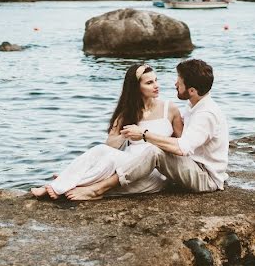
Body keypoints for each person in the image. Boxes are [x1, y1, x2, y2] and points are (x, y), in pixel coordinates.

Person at [65, 59, 228, 201]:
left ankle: (98, 189)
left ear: (191, 90)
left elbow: (181, 147)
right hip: (191, 167)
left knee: (154, 151)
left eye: (179, 82)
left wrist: (144, 135)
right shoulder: (193, 105)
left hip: (206, 177)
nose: (175, 84)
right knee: (104, 151)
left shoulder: (206, 114)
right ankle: (75, 180)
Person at [31, 63, 183, 199]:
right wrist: (125, 133)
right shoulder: (128, 112)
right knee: (101, 150)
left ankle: (62, 183)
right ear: (136, 87)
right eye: (149, 83)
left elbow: (183, 145)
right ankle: (68, 181)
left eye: (156, 80)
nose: (156, 85)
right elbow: (110, 146)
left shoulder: (170, 109)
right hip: (124, 167)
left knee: (108, 159)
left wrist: (146, 136)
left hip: (152, 170)